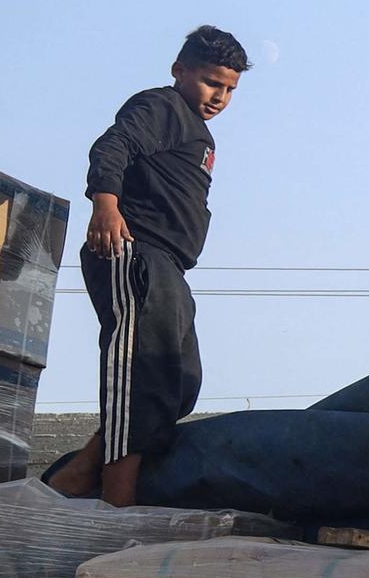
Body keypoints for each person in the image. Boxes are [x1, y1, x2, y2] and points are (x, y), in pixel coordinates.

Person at [46, 25, 249, 506]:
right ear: (180, 71)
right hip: (134, 249)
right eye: (210, 82)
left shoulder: (197, 131)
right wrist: (106, 206)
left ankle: (79, 472)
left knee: (179, 380)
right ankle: (118, 500)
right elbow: (112, 147)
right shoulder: (163, 106)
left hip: (171, 267)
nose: (219, 96)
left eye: (229, 89)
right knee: (137, 370)